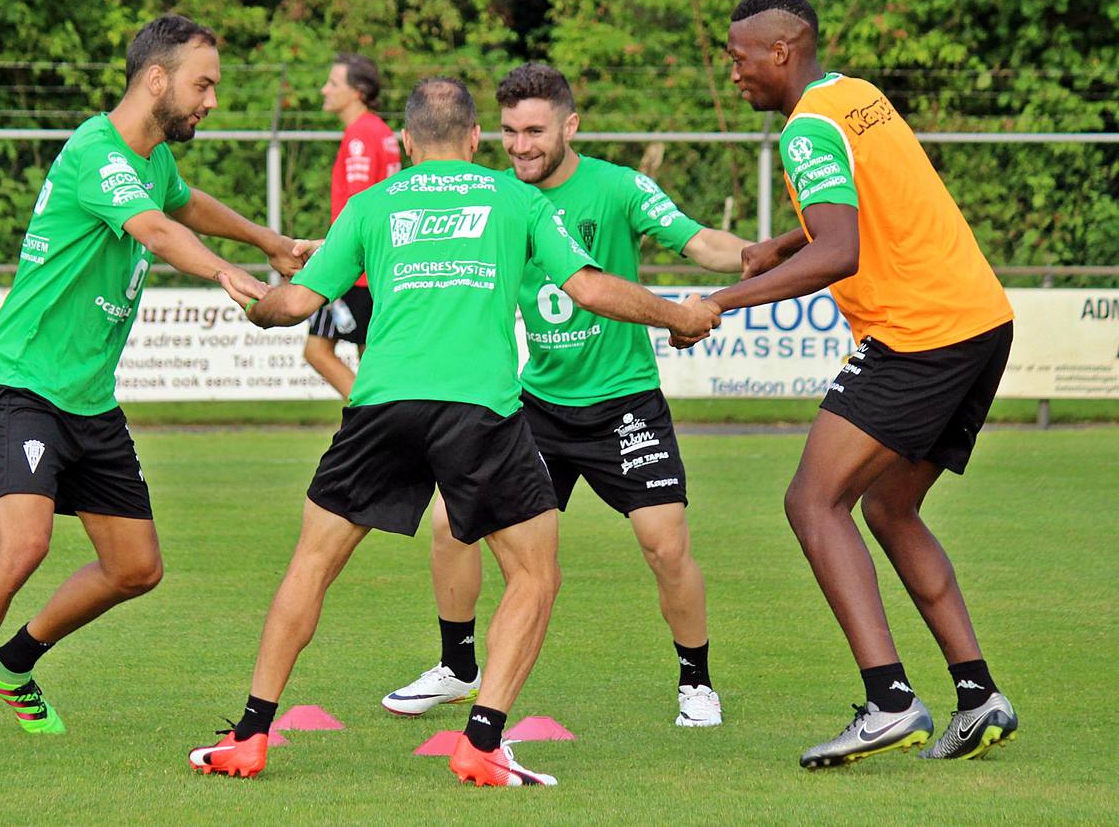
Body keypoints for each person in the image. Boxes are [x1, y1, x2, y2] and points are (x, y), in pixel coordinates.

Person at [186, 77, 721, 787]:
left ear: (405, 143)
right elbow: (589, 288)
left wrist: (256, 304)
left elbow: (294, 303)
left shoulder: (374, 204)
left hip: (381, 406)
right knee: (534, 573)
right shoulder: (517, 198)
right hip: (477, 410)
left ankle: (250, 735)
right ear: (476, 140)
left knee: (310, 565)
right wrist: (679, 316)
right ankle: (482, 739)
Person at [0, 14, 313, 762]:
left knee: (135, 569)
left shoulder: (153, 159)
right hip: (23, 382)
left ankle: (15, 665)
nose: (211, 101)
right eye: (203, 84)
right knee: (23, 543)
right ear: (156, 79)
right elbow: (157, 231)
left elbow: (183, 204)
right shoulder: (98, 149)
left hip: (88, 398)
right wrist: (222, 269)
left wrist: (267, 242)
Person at [382, 63, 750, 729]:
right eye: (509, 132)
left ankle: (695, 679)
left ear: (570, 126)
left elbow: (702, 243)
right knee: (449, 523)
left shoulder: (616, 188)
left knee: (664, 545)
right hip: (538, 406)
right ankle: (457, 667)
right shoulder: (490, 195)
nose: (520, 145)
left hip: (624, 401)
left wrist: (771, 254)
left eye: (535, 131)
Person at [712, 0, 1018, 767]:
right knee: (888, 507)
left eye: (739, 54)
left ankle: (888, 701)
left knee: (813, 501)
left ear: (781, 50)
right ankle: (979, 696)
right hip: (980, 320)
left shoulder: (805, 128)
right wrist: (783, 242)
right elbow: (869, 197)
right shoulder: (854, 97)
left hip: (920, 333)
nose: (732, 67)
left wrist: (719, 301)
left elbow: (842, 249)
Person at [303, 53, 402, 397]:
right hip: (376, 264)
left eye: (333, 83)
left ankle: (368, 416)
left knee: (316, 350)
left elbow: (357, 206)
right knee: (369, 356)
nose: (324, 89)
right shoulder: (383, 131)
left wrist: (330, 255)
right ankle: (381, 420)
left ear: (357, 91)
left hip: (354, 268)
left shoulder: (360, 137)